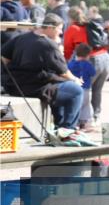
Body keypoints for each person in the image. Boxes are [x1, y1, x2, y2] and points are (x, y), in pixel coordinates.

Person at [0, 14, 85, 142]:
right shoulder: (47, 44)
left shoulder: (22, 38)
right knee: (75, 91)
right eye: (59, 29)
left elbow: (4, 56)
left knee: (61, 88)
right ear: (50, 27)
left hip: (15, 86)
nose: (61, 32)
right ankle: (68, 130)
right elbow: (63, 71)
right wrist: (75, 80)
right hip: (36, 87)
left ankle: (59, 127)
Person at [62, 6, 109, 123]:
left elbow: (68, 49)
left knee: (83, 89)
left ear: (70, 17)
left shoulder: (72, 28)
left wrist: (64, 64)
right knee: (97, 90)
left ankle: (83, 120)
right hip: (106, 58)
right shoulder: (90, 24)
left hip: (92, 59)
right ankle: (96, 116)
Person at [67, 43, 97, 131]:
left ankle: (75, 123)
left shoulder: (72, 64)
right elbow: (93, 73)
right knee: (86, 106)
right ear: (88, 55)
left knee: (76, 105)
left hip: (75, 88)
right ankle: (86, 123)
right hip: (86, 89)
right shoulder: (88, 65)